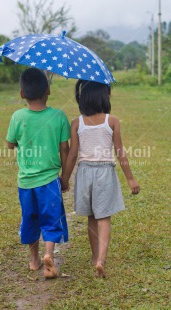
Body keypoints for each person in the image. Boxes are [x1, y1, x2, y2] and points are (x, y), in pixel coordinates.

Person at [61, 80, 140, 278]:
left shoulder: (77, 122)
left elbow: (72, 155)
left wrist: (65, 178)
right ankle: (101, 260)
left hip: (85, 172)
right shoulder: (112, 120)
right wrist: (130, 179)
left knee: (92, 218)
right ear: (105, 97)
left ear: (82, 98)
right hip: (105, 171)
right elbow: (120, 151)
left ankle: (94, 255)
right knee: (104, 219)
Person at [6, 68, 70, 279]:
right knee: (51, 219)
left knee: (30, 218)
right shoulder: (59, 116)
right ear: (48, 90)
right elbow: (65, 150)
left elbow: (9, 144)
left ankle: (33, 260)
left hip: (26, 182)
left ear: (22, 93)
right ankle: (48, 255)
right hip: (50, 181)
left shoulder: (18, 116)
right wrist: (65, 177)